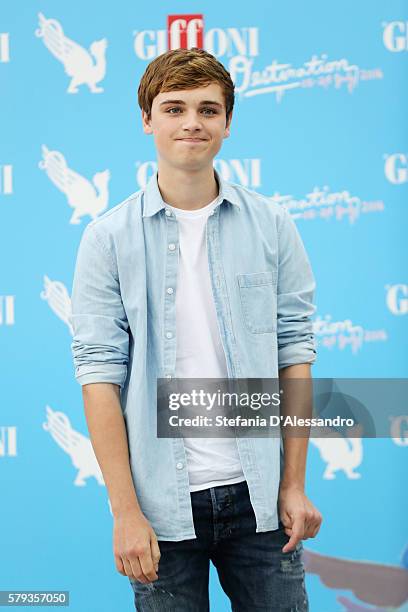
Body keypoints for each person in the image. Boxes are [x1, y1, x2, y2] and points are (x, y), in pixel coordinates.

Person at [70, 47, 323, 611]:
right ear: (148, 120)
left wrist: (293, 483)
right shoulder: (106, 239)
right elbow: (99, 379)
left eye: (208, 110)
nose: (192, 123)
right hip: (159, 511)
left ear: (228, 123)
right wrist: (125, 512)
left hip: (260, 500)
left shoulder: (273, 224)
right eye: (174, 107)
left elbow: (295, 356)